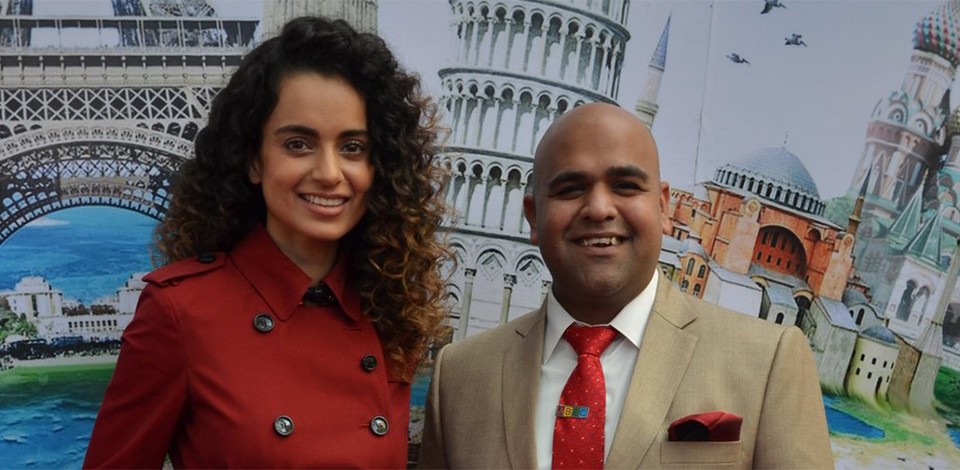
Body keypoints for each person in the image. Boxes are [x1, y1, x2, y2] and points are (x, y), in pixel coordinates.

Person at [84, 16, 450, 469]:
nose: (329, 173)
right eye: (298, 144)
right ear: (253, 160)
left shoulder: (391, 312)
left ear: (380, 167)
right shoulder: (181, 312)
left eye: (353, 148)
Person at [417, 103, 833, 469]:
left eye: (626, 186)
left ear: (664, 208)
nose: (599, 208)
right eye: (571, 189)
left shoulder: (766, 362)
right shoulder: (461, 375)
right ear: (533, 215)